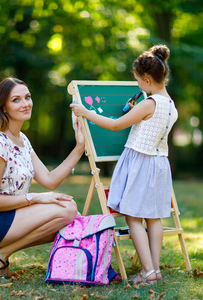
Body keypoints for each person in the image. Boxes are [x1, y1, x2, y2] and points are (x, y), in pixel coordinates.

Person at [70, 45, 177, 285]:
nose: (137, 85)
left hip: (140, 162)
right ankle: (155, 270)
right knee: (154, 218)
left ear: (148, 80)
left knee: (132, 217)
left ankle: (147, 271)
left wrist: (85, 112)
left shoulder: (149, 103)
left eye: (138, 81)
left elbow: (116, 125)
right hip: (159, 163)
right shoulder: (170, 104)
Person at [0, 77, 85, 280]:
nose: (26, 103)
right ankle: (0, 253)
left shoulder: (22, 140)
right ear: (3, 108)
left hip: (10, 215)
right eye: (16, 100)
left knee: (75, 218)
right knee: (68, 210)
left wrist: (79, 147)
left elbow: (49, 180)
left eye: (27, 97)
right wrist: (37, 198)